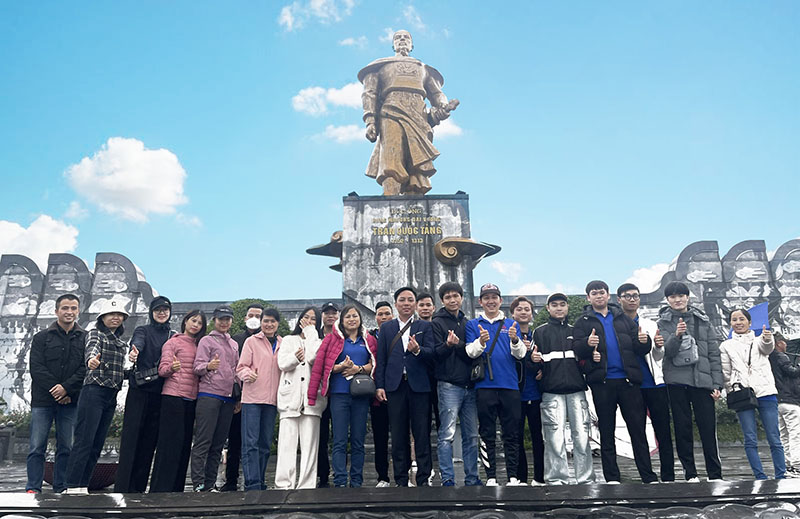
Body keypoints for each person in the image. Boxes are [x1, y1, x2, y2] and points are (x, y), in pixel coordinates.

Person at [573, 280, 657, 484]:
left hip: (628, 382)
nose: (598, 296)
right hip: (602, 383)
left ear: (608, 295)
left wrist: (645, 342)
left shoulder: (623, 318)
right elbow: (577, 349)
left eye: (601, 292)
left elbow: (639, 348)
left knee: (637, 430)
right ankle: (612, 477)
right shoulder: (583, 322)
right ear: (588, 298)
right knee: (606, 431)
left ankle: (648, 476)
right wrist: (587, 344)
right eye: (594, 293)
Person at [358, 30, 458, 195]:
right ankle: (390, 195)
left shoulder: (423, 68)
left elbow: (437, 94)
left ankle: (415, 198)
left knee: (416, 164)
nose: (402, 39)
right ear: (393, 45)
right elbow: (369, 93)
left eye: (406, 38)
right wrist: (370, 121)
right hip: (391, 111)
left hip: (418, 115)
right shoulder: (381, 66)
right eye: (398, 38)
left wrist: (443, 107)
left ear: (412, 45)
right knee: (391, 156)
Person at [657, 281, 723, 482]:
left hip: (702, 382)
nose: (677, 300)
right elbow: (666, 353)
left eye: (681, 296)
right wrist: (676, 335)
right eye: (673, 296)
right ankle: (690, 473)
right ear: (667, 300)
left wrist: (716, 383)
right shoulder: (662, 323)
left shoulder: (703, 321)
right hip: (676, 382)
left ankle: (715, 474)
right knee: (682, 428)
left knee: (708, 429)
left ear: (687, 297)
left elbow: (713, 354)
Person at [528, 293, 596, 485]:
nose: (559, 308)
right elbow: (533, 364)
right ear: (548, 308)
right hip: (551, 392)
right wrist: (534, 362)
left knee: (582, 437)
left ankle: (586, 480)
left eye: (562, 304)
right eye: (555, 305)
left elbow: (585, 362)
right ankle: (557, 480)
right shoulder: (539, 332)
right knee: (554, 438)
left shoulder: (576, 331)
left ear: (567, 307)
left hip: (577, 390)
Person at [63, 299, 129, 494]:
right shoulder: (95, 333)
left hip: (111, 394)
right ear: (103, 317)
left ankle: (83, 485)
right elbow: (92, 350)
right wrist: (91, 360)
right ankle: (72, 485)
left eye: (119, 315)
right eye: (111, 314)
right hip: (94, 391)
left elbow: (117, 371)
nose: (116, 317)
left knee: (97, 443)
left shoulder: (121, 344)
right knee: (84, 440)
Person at [308, 305, 377, 487]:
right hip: (339, 395)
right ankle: (339, 479)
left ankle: (356, 479)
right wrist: (340, 367)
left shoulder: (368, 339)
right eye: (348, 317)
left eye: (355, 316)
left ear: (360, 319)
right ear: (342, 320)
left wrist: (358, 369)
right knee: (339, 439)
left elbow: (374, 364)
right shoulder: (332, 339)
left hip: (361, 395)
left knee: (358, 440)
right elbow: (322, 365)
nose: (352, 320)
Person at [465, 283, 527, 486]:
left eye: (494, 297)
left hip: (510, 386)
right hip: (484, 387)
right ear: (480, 301)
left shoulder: (511, 323)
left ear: (500, 300)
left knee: (512, 433)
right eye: (486, 298)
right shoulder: (473, 324)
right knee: (487, 433)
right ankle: (491, 476)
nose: (490, 301)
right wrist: (481, 342)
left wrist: (515, 340)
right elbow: (470, 352)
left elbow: (520, 354)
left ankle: (513, 476)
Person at [375, 287, 435, 487]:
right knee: (398, 433)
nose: (406, 303)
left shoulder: (424, 326)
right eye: (402, 300)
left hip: (419, 385)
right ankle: (401, 478)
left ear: (415, 304)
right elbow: (381, 360)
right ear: (396, 304)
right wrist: (380, 386)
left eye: (410, 300)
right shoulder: (387, 328)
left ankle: (423, 477)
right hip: (395, 385)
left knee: (422, 432)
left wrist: (418, 350)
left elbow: (432, 353)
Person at [26, 294, 85, 494]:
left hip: (70, 401)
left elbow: (84, 369)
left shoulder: (85, 338)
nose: (69, 312)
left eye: (73, 308)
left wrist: (67, 389)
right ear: (56, 311)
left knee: (66, 446)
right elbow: (37, 368)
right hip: (43, 401)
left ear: (78, 311)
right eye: (65, 308)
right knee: (36, 446)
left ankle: (61, 487)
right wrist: (57, 390)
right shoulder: (41, 337)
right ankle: (33, 487)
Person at [616, 283, 674, 482]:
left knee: (663, 430)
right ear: (619, 299)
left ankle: (668, 475)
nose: (632, 299)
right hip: (631, 385)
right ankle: (647, 475)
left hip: (654, 383)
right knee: (637, 432)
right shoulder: (615, 325)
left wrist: (658, 347)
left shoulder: (650, 324)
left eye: (635, 296)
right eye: (627, 296)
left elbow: (658, 356)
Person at [115, 296, 173, 493]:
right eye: (158, 310)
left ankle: (139, 487)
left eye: (165, 310)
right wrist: (135, 352)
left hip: (160, 392)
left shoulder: (173, 335)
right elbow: (137, 342)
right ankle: (123, 487)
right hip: (139, 390)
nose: (161, 313)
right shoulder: (143, 330)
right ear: (152, 312)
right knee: (131, 439)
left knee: (149, 442)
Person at [720, 309, 785, 479]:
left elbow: (767, 349)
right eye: (734, 319)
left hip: (765, 391)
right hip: (742, 393)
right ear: (730, 323)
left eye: (742, 319)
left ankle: (781, 475)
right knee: (750, 438)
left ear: (749, 322)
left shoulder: (759, 340)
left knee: (774, 437)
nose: (738, 322)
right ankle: (760, 476)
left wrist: (767, 338)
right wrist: (730, 390)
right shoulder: (726, 345)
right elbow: (726, 372)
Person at [150, 310, 207, 492]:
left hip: (191, 398)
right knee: (169, 444)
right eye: (193, 321)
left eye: (199, 323)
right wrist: (172, 368)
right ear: (185, 321)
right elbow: (162, 369)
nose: (195, 325)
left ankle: (177, 489)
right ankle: (160, 489)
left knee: (184, 445)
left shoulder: (201, 345)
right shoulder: (173, 342)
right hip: (173, 397)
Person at [431, 281, 480, 487]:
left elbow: (473, 352)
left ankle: (472, 478)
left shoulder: (468, 323)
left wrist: (458, 345)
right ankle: (448, 478)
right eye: (448, 297)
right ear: (442, 301)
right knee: (447, 434)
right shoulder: (436, 323)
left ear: (461, 297)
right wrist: (448, 345)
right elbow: (435, 354)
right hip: (448, 385)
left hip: (470, 385)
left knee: (472, 435)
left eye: (455, 296)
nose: (452, 300)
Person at [190, 305, 240, 492]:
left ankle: (210, 484)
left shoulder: (234, 344)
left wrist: (238, 397)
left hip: (228, 398)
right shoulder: (206, 340)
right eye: (221, 319)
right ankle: (198, 484)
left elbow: (236, 372)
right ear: (214, 320)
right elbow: (197, 367)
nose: (224, 322)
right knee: (203, 441)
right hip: (209, 395)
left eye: (227, 319)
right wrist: (208, 366)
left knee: (218, 444)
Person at [275, 307, 324, 490]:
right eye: (306, 317)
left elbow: (313, 358)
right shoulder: (289, 340)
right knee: (286, 445)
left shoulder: (319, 341)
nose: (308, 321)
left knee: (310, 446)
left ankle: (307, 485)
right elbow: (282, 363)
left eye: (313, 319)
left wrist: (311, 333)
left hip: (312, 401)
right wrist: (295, 358)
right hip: (290, 399)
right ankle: (283, 484)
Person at [237, 308, 283, 491]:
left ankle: (261, 480)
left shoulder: (283, 343)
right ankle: (252, 483)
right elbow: (241, 367)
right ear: (261, 322)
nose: (269, 324)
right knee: (250, 443)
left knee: (265, 444)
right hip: (252, 399)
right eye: (266, 321)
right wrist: (248, 374)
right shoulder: (251, 341)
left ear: (277, 324)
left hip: (272, 401)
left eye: (272, 321)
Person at [222, 303, 264, 491]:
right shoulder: (236, 340)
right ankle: (231, 480)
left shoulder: (268, 340)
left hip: (261, 397)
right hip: (239, 397)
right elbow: (231, 369)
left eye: (258, 316)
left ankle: (255, 480)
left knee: (257, 441)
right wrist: (236, 397)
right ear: (245, 318)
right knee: (235, 440)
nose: (254, 318)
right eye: (251, 315)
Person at [510, 296, 544, 486]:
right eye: (519, 309)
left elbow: (546, 360)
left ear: (532, 314)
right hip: (515, 393)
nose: (523, 312)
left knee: (538, 436)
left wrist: (541, 368)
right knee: (517, 437)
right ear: (512, 313)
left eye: (527, 309)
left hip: (536, 393)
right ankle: (520, 477)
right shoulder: (508, 335)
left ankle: (539, 477)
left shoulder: (538, 335)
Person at [368, 301, 394, 487]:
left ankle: (402, 475)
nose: (384, 317)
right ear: (375, 317)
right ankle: (382, 476)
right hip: (377, 394)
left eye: (387, 313)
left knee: (401, 436)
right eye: (380, 314)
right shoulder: (369, 338)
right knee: (380, 437)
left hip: (398, 391)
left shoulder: (399, 333)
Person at [770, 332, 800, 477]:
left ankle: (787, 465)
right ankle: (797, 465)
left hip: (777, 401)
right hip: (790, 400)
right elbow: (792, 373)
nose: (786, 344)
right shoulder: (781, 356)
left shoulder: (768, 358)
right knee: (795, 433)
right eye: (784, 342)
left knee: (783, 434)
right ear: (779, 343)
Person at [316, 301, 339, 488]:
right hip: (319, 393)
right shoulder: (314, 336)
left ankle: (340, 474)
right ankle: (322, 475)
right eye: (327, 313)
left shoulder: (342, 335)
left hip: (338, 392)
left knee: (339, 436)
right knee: (320, 436)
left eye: (333, 313)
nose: (330, 316)